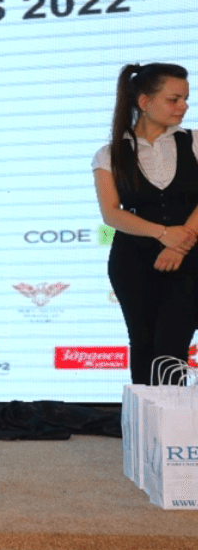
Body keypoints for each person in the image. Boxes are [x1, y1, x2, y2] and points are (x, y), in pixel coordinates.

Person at [93, 63, 195, 385]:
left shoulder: (194, 141)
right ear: (144, 102)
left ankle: (172, 418)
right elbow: (111, 213)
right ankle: (145, 418)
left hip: (191, 257)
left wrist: (180, 244)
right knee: (143, 344)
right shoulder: (109, 154)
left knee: (171, 345)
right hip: (133, 260)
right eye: (174, 99)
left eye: (185, 99)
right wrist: (163, 234)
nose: (183, 106)